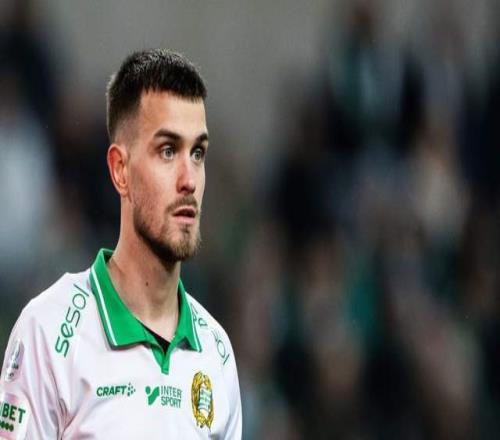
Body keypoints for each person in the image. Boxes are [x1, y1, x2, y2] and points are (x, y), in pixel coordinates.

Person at [0, 49, 242, 439]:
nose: (189, 179)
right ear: (120, 170)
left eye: (197, 153)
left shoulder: (217, 352)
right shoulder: (49, 332)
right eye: (168, 151)